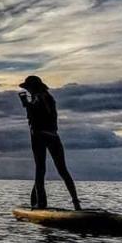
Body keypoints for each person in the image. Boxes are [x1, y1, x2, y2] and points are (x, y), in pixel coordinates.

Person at [18, 76, 81, 210]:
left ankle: (41, 204)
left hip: (40, 136)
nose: (28, 91)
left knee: (41, 169)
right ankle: (76, 203)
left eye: (28, 88)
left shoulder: (40, 98)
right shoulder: (47, 97)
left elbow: (39, 112)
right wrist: (28, 104)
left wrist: (27, 105)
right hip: (53, 136)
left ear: (33, 87)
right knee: (62, 170)